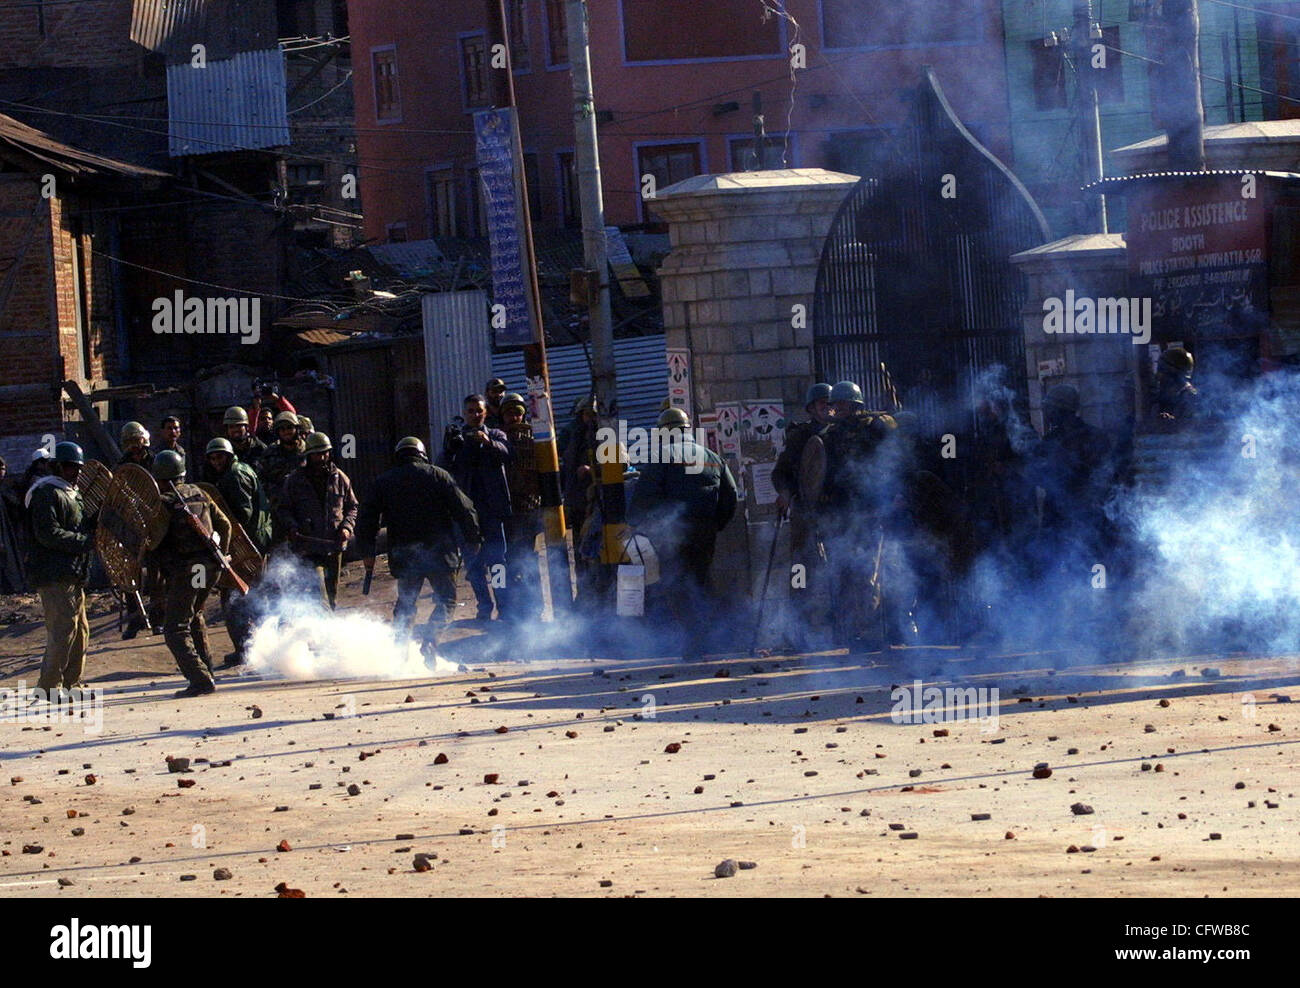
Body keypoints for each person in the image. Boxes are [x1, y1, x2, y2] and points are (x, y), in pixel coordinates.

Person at [629, 407, 737, 661]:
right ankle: (714, 640)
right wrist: (714, 525)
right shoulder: (712, 457)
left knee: (677, 586)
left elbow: (644, 497)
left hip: (673, 535)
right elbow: (730, 497)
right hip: (705, 532)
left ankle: (694, 644)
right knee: (701, 583)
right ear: (687, 430)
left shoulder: (661, 458)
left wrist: (636, 523)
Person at [357, 437, 482, 655]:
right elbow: (465, 509)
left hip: (405, 556)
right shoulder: (438, 475)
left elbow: (367, 518)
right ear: (422, 454)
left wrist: (368, 553)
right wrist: (473, 539)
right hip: (440, 553)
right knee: (447, 600)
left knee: (406, 603)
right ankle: (430, 642)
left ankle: (400, 652)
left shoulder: (383, 482)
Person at [816, 381, 899, 651]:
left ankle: (871, 633)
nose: (835, 409)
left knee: (867, 574)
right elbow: (818, 473)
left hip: (868, 511)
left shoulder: (875, 427)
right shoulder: (829, 435)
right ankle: (852, 632)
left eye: (840, 404)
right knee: (844, 575)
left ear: (854, 405)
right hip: (841, 514)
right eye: (833, 404)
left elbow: (894, 458)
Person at [150, 450, 231, 697]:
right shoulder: (201, 493)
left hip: (188, 570)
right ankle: (207, 671)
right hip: (209, 568)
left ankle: (199, 678)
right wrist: (222, 556)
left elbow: (153, 542)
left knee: (175, 628)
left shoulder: (165, 503)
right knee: (195, 615)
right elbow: (225, 525)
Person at [26, 442, 95, 696]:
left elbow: (80, 526)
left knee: (80, 631)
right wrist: (86, 542)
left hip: (73, 572)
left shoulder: (72, 493)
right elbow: (48, 534)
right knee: (62, 630)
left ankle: (71, 684)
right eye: (69, 467)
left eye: (77, 468)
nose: (74, 472)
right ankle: (48, 688)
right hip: (53, 573)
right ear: (56, 467)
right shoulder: (46, 493)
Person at [440, 394, 512, 623]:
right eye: (470, 411)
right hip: (466, 513)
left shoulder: (495, 434)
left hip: (492, 510)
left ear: (485, 413)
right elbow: (443, 466)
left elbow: (507, 453)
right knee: (473, 565)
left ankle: (504, 606)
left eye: (478, 411)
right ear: (465, 413)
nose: (475, 415)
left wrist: (487, 442)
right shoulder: (458, 438)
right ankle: (484, 606)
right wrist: (451, 446)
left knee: (497, 563)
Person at [771, 382, 833, 649]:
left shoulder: (843, 433)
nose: (828, 409)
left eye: (832, 404)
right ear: (811, 408)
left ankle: (841, 630)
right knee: (801, 573)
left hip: (835, 515)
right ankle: (797, 633)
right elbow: (780, 472)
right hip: (805, 515)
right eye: (823, 404)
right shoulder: (800, 437)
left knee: (841, 571)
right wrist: (785, 493)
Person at [204, 437, 271, 666]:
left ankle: (246, 650)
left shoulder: (235, 476)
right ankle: (266, 647)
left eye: (220, 456)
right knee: (253, 598)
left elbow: (242, 515)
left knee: (232, 600)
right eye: (212, 458)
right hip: (254, 542)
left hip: (246, 545)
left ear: (229, 456)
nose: (216, 462)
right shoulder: (239, 470)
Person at [276, 432, 357, 610]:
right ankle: (322, 630)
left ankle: (325, 633)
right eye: (317, 454)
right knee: (318, 594)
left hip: (334, 546)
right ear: (308, 455)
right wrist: (292, 526)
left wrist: (346, 528)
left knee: (331, 596)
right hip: (308, 547)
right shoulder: (295, 481)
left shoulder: (340, 478)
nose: (321, 457)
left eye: (325, 453)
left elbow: (352, 507)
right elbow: (283, 509)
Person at [500, 393, 543, 625]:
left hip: (529, 509)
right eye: (509, 413)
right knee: (500, 563)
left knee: (529, 561)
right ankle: (505, 607)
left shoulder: (535, 436)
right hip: (503, 512)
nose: (514, 417)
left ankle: (534, 608)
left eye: (517, 412)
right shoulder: (497, 437)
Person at [118, 422, 165, 638]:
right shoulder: (121, 466)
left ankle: (158, 619)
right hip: (132, 526)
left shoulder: (156, 461)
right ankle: (135, 619)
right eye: (129, 442)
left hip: (155, 523)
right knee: (131, 574)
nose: (134, 446)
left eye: (136, 441)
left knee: (156, 576)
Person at [257, 410, 306, 539]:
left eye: (289, 427)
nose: (286, 432)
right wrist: (276, 492)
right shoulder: (269, 454)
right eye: (282, 429)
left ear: (297, 429)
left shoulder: (308, 451)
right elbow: (261, 481)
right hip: (279, 510)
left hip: (306, 509)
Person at [1152, 347, 1199, 429]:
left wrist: (1173, 422)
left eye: (1163, 370)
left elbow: (1193, 428)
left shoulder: (1191, 399)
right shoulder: (1165, 397)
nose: (1159, 376)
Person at [223, 405, 267, 470]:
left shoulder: (259, 448)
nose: (235, 430)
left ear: (246, 427)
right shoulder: (224, 450)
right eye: (231, 427)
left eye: (239, 426)